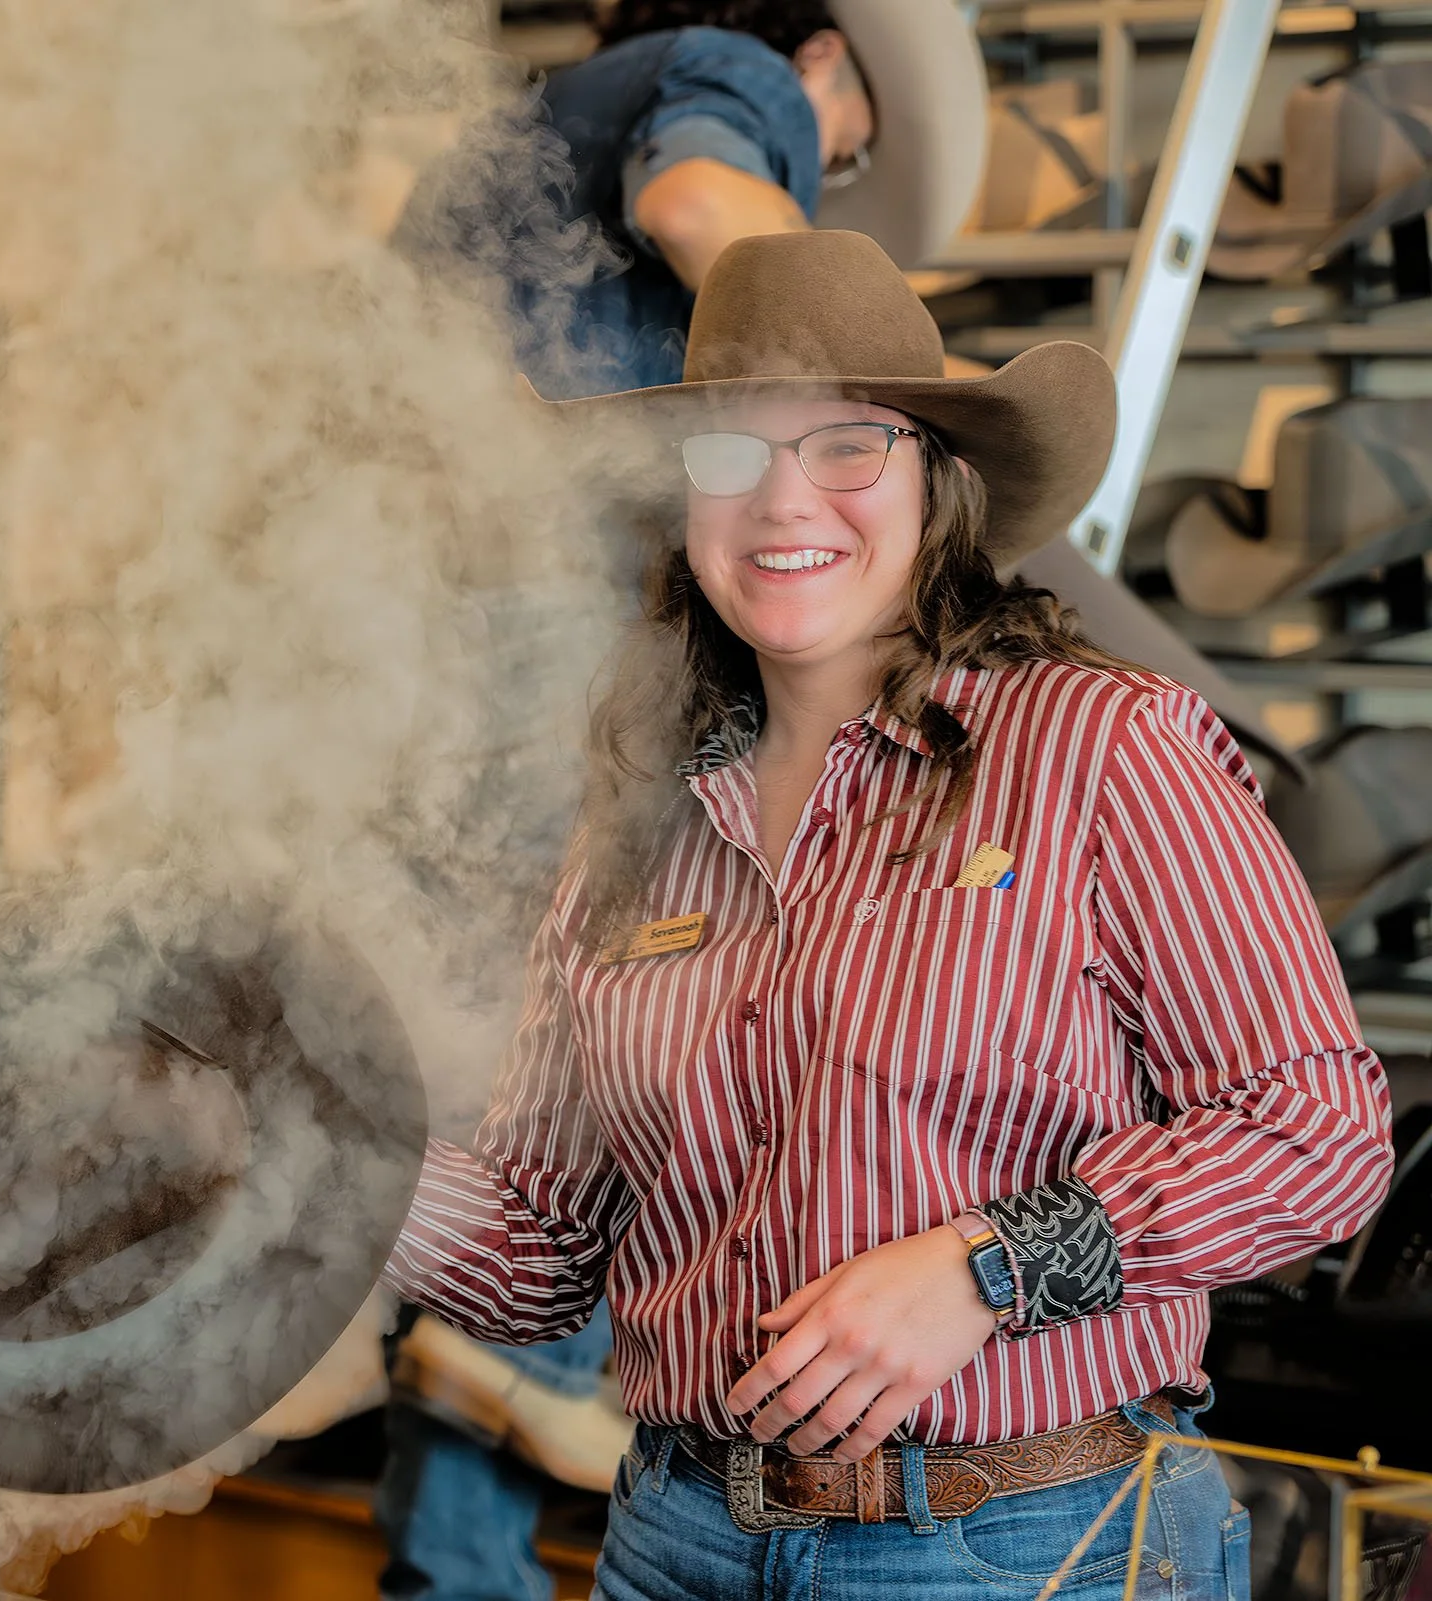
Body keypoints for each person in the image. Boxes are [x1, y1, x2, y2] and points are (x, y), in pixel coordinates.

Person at [384, 228, 1395, 1601]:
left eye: (847, 447)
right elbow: (543, 1254)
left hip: (1026, 1541)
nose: (784, 501)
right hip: (678, 1539)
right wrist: (313, 1160)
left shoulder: (1101, 747)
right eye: (731, 452)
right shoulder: (638, 816)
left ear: (939, 483)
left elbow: (1318, 1130)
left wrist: (988, 1268)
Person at [399, 0, 981, 401]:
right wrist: (885, 384)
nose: (823, 170)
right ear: (821, 53)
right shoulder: (748, 71)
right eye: (843, 150)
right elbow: (692, 204)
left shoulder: (617, 81)